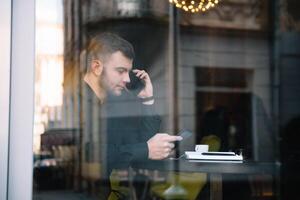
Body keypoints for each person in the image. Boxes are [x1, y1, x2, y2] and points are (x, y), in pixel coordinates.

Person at [83, 32, 182, 199]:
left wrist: (147, 100)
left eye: (128, 72)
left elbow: (143, 142)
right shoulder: (80, 102)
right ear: (96, 67)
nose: (127, 79)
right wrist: (145, 149)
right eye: (121, 71)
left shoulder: (112, 103)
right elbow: (95, 155)